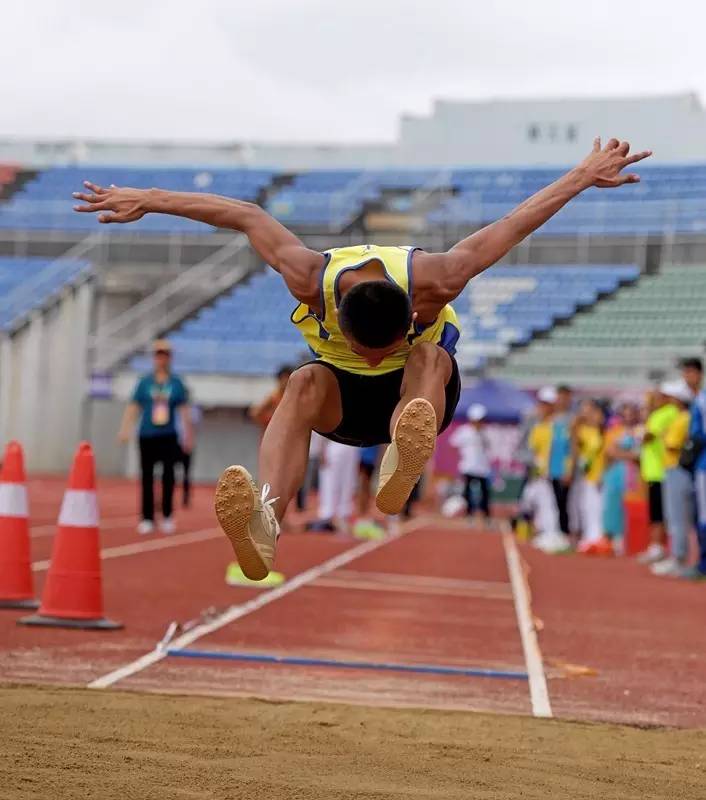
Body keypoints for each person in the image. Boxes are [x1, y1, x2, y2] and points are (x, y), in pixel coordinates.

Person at [73, 137, 651, 579]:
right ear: (341, 326)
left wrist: (579, 176)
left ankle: (405, 447)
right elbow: (243, 213)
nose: (375, 359)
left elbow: (513, 225)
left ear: (409, 311)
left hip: (419, 395)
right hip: (343, 406)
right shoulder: (307, 278)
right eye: (366, 351)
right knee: (301, 382)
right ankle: (266, 520)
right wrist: (145, 199)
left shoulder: (438, 280)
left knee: (431, 358)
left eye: (382, 349)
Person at [118, 339, 192, 535]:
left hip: (168, 436)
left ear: (170, 358)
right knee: (147, 477)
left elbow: (184, 411)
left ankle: (167, 516)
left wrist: (188, 435)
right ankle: (147, 518)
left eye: (165, 354)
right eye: (158, 354)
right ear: (154, 358)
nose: (161, 358)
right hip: (147, 435)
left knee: (169, 477)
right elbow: (134, 406)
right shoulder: (145, 382)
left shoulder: (176, 383)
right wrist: (125, 428)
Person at [651, 381, 694, 577]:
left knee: (677, 517)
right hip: (671, 468)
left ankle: (679, 557)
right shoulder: (679, 417)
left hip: (678, 468)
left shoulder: (684, 417)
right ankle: (675, 556)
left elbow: (673, 444)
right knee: (672, 516)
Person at [637, 383, 680, 564]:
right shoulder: (658, 413)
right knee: (656, 511)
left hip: (661, 470)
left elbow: (649, 436)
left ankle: (661, 548)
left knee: (661, 512)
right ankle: (658, 547)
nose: (655, 399)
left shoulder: (669, 412)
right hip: (653, 470)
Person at [602, 402, 641, 553]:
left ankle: (630, 541)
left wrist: (622, 451)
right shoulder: (613, 431)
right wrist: (628, 453)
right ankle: (612, 538)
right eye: (626, 413)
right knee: (612, 505)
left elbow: (639, 453)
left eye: (632, 413)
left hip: (634, 473)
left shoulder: (639, 430)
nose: (629, 417)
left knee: (630, 507)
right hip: (615, 473)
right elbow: (610, 452)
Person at [573, 399, 607, 554]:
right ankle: (589, 536)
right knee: (586, 507)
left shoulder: (604, 431)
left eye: (591, 411)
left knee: (598, 508)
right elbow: (574, 442)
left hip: (600, 475)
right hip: (587, 475)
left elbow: (605, 455)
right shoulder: (583, 430)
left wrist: (602, 473)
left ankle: (597, 538)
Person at [307, 441, 361, 533]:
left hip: (352, 446)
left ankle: (342, 515)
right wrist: (322, 450)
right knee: (330, 480)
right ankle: (327, 515)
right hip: (334, 444)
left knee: (347, 482)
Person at [450, 403, 492, 522]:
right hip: (468, 466)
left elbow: (488, 448)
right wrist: (462, 457)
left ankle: (485, 514)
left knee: (485, 492)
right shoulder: (464, 431)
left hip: (482, 468)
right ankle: (469, 513)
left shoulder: (485, 433)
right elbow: (453, 444)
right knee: (467, 491)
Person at [683, 373, 706, 580]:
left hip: (704, 466)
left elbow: (696, 436)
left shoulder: (701, 400)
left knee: (704, 516)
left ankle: (703, 565)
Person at [548, 385, 574, 537]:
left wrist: (569, 469)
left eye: (565, 398)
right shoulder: (551, 419)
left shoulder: (573, 419)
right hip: (552, 467)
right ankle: (557, 532)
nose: (562, 401)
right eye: (560, 397)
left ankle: (566, 533)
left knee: (566, 503)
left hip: (565, 468)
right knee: (555, 502)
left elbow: (573, 447)